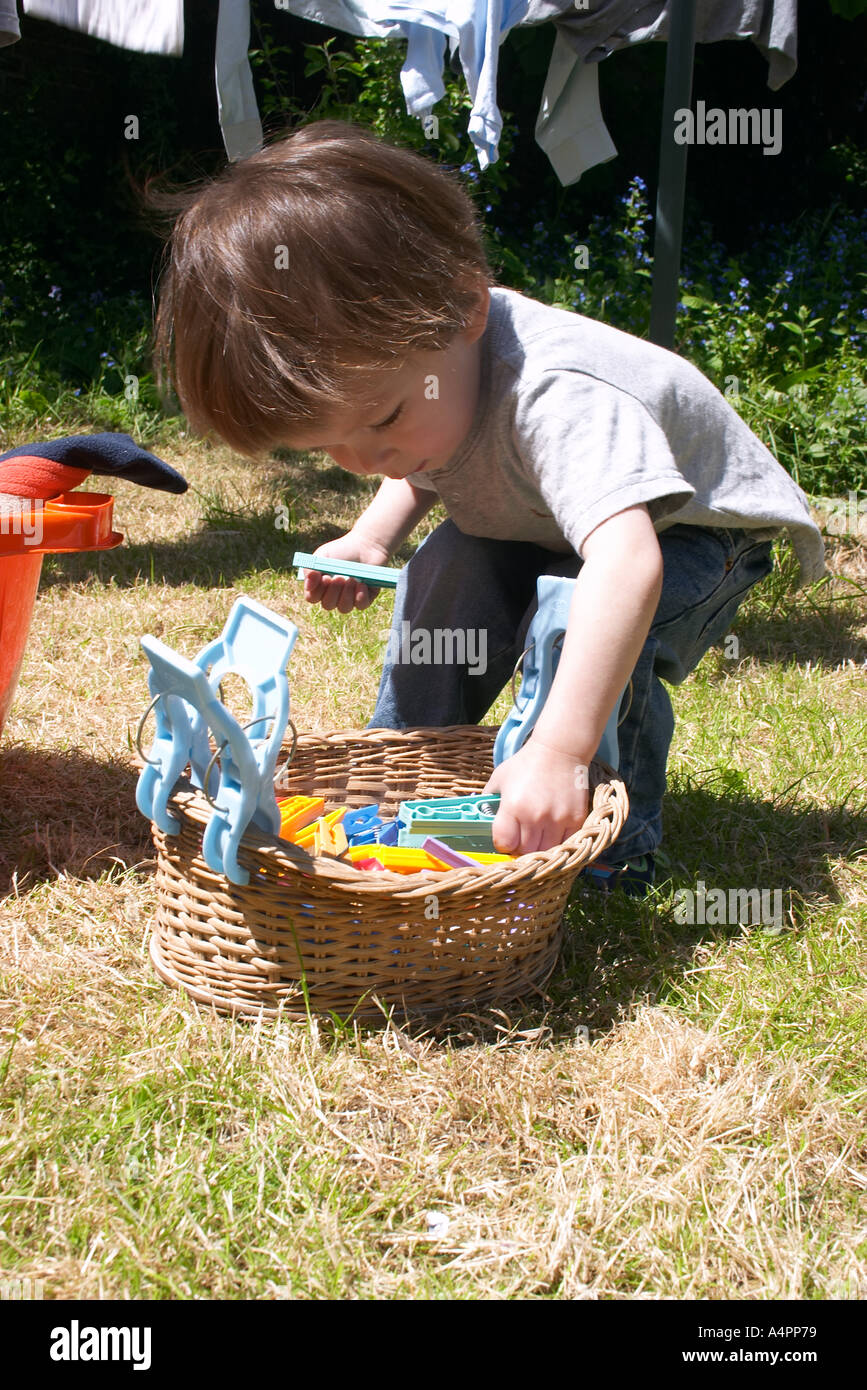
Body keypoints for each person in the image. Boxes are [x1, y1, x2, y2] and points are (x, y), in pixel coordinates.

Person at [154, 120, 825, 890]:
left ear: (466, 313)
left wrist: (560, 749)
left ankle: (610, 847)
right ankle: (408, 771)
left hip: (694, 535)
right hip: (546, 520)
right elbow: (425, 456)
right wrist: (373, 535)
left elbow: (626, 561)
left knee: (573, 622)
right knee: (445, 571)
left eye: (378, 422)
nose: (364, 459)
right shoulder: (431, 384)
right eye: (326, 447)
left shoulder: (556, 394)